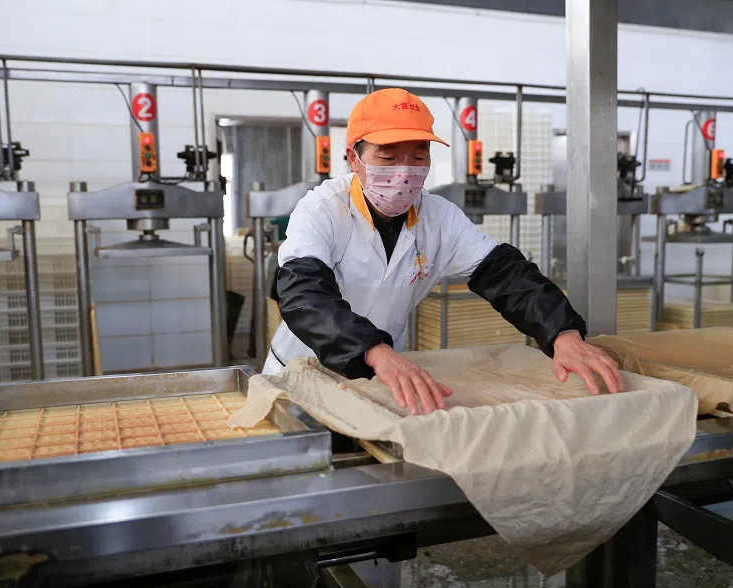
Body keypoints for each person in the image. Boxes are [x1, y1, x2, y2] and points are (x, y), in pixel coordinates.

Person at [263, 88, 623, 414]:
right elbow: (303, 294)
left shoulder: (439, 218)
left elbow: (505, 274)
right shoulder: (323, 209)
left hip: (381, 380)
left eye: (418, 157)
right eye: (388, 158)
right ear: (353, 158)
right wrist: (375, 351)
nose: (404, 172)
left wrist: (563, 333)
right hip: (301, 376)